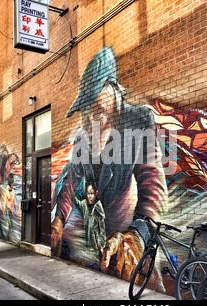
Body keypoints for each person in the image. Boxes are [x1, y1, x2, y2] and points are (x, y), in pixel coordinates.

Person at [51, 47, 168, 289]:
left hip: (131, 239)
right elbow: (70, 185)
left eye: (100, 111)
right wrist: (59, 221)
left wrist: (135, 236)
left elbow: (153, 187)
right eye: (86, 112)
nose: (93, 120)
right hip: (101, 240)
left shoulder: (137, 121)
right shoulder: (83, 138)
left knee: (146, 286)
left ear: (115, 98)